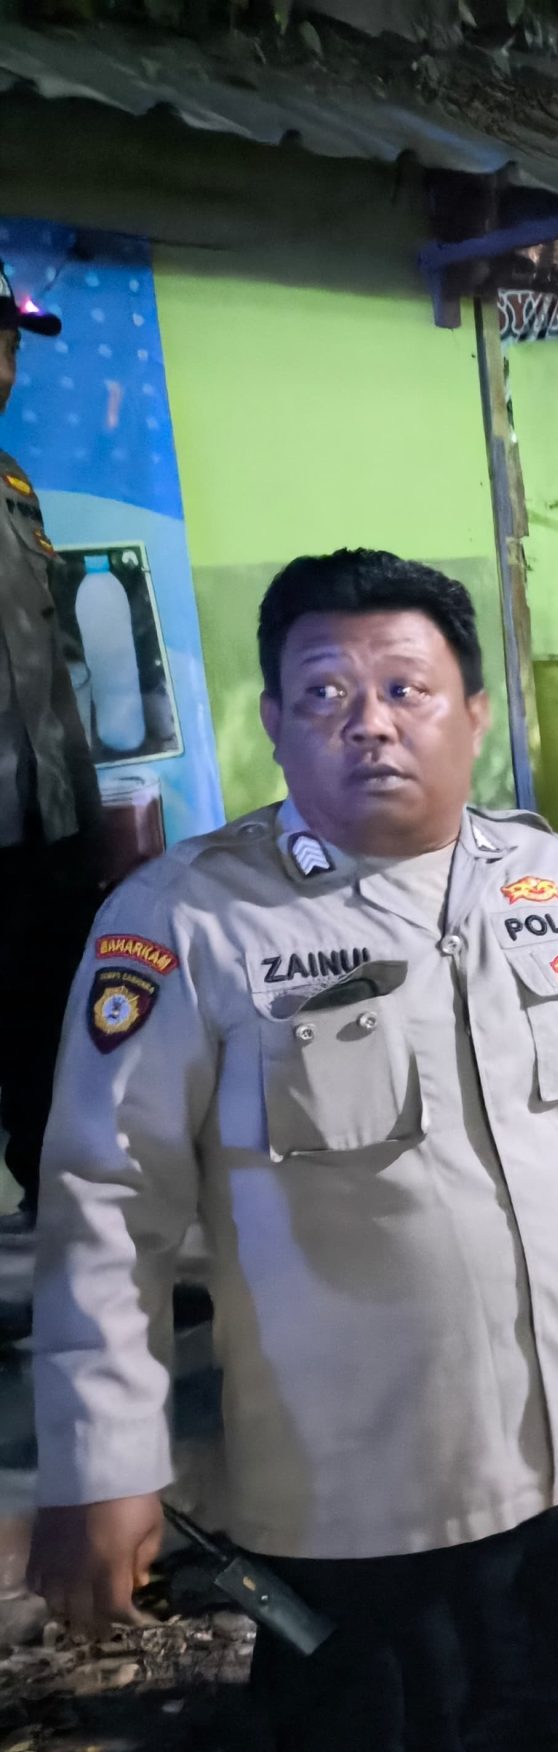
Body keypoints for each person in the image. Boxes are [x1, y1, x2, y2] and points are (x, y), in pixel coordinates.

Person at [26, 550, 558, 1752]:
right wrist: (107, 1460)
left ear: (473, 711)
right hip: (362, 1478)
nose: (367, 717)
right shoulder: (187, 922)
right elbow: (103, 1205)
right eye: (325, 691)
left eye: (404, 686)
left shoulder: (542, 875)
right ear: (275, 720)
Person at [0, 256, 105, 1237]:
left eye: (6, 341)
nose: (1, 360)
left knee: (48, 1022)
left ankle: (54, 1217)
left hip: (45, 822)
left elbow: (57, 651)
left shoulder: (15, 481)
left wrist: (87, 798)